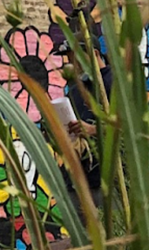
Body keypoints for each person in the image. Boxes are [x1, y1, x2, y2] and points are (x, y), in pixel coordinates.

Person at [54, 37, 110, 221]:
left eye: (76, 59)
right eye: (69, 60)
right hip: (77, 181)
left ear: (94, 54)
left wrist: (94, 130)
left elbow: (131, 127)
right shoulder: (75, 90)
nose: (73, 65)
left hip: (108, 181)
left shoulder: (116, 82)